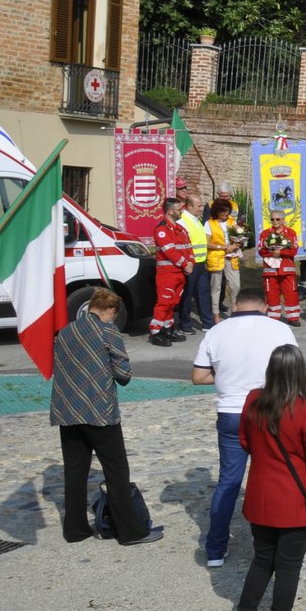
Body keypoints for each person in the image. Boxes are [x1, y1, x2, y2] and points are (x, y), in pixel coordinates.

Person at [229, 344, 306, 611]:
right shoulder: (304, 409)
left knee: (261, 561)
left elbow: (244, 440)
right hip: (293, 500)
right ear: (300, 373)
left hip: (260, 495)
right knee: (288, 568)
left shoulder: (253, 401)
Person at [193, 287, 297, 567]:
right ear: (265, 306)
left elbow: (198, 375)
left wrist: (225, 374)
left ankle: (215, 549)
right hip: (269, 411)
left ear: (235, 305)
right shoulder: (280, 330)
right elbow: (293, 372)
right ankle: (276, 544)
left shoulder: (216, 332)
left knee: (228, 481)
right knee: (276, 475)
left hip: (231, 411)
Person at [52, 288, 157, 545]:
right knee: (116, 470)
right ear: (111, 310)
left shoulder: (64, 332)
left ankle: (75, 530)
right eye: (114, 314)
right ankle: (131, 531)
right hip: (99, 411)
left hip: (67, 410)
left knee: (75, 471)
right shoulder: (108, 331)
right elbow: (124, 375)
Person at [150, 196, 193, 346]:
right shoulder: (161, 230)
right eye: (179, 209)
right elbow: (170, 251)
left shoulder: (180, 229)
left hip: (179, 272)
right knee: (164, 302)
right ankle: (156, 332)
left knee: (173, 303)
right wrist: (185, 264)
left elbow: (188, 248)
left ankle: (168, 328)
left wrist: (191, 263)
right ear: (170, 211)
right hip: (167, 273)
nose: (181, 211)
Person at [177, 192, 214, 332]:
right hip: (190, 264)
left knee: (203, 293)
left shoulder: (195, 220)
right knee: (187, 295)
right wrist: (186, 263)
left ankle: (207, 323)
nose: (201, 209)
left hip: (200, 263)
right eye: (198, 206)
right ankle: (185, 324)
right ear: (189, 206)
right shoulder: (182, 221)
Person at [257, 210, 301, 326]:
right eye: (272, 219)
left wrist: (281, 252)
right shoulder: (265, 234)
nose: (275, 221)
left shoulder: (290, 233)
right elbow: (261, 250)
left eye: (277, 219)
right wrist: (272, 252)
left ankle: (293, 318)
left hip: (287, 269)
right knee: (271, 293)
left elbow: (294, 250)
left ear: (283, 220)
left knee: (291, 293)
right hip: (270, 270)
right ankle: (273, 317)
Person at [206, 197, 243, 320]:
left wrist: (235, 245)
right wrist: (222, 247)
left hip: (232, 257)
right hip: (216, 258)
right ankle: (215, 313)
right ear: (217, 211)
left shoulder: (232, 222)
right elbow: (207, 243)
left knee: (235, 285)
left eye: (228, 211)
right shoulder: (209, 223)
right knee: (216, 287)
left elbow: (240, 238)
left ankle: (234, 310)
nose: (226, 213)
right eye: (223, 211)